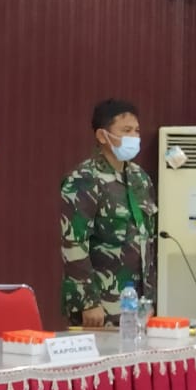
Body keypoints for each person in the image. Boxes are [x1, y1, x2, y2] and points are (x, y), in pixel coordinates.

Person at [61, 99, 158, 326]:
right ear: (102, 136)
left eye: (136, 131)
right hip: (102, 305)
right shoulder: (84, 179)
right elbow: (73, 244)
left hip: (138, 303)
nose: (134, 137)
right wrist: (88, 302)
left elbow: (147, 240)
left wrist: (149, 299)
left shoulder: (140, 178)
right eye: (126, 130)